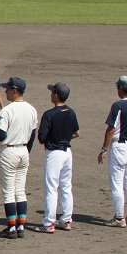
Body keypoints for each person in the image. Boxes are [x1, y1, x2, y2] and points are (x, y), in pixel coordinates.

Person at [98, 75, 127, 228]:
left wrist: (104, 149)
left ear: (120, 88)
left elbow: (111, 130)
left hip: (120, 147)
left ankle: (119, 218)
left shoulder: (118, 106)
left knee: (117, 184)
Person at [0, 77, 38, 238]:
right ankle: (21, 226)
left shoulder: (7, 110)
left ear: (15, 91)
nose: (5, 91)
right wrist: (26, 150)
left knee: (9, 192)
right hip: (24, 151)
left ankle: (11, 228)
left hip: (9, 152)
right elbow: (32, 134)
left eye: (7, 89)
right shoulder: (32, 109)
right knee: (20, 190)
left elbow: (0, 134)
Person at [34, 82, 80, 233]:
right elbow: (76, 133)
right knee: (66, 187)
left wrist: (53, 138)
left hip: (54, 153)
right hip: (67, 152)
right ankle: (66, 220)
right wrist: (64, 137)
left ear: (56, 95)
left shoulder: (49, 114)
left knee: (51, 189)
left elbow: (41, 137)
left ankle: (48, 223)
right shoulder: (71, 112)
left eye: (52, 92)